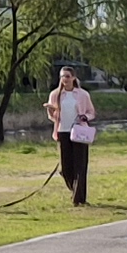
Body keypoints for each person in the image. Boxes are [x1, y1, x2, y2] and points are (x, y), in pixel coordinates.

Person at [45, 65, 98, 206]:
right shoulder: (55, 95)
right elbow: (54, 117)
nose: (65, 79)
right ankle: (75, 191)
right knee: (66, 168)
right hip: (63, 131)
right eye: (62, 76)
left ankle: (79, 199)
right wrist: (51, 111)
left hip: (79, 132)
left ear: (74, 78)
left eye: (67, 76)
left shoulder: (82, 94)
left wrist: (85, 117)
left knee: (80, 166)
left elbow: (91, 112)